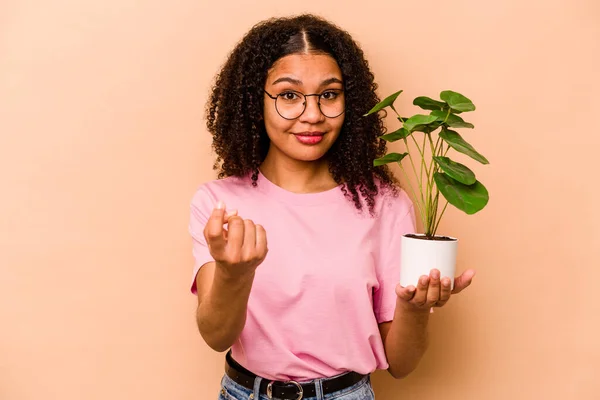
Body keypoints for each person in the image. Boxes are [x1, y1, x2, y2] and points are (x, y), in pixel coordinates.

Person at [188, 14, 475, 400]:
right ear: (255, 103)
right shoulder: (219, 203)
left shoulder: (384, 205)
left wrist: (415, 308)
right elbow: (215, 335)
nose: (312, 114)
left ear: (348, 101)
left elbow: (402, 365)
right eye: (289, 95)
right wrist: (232, 273)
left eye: (329, 94)